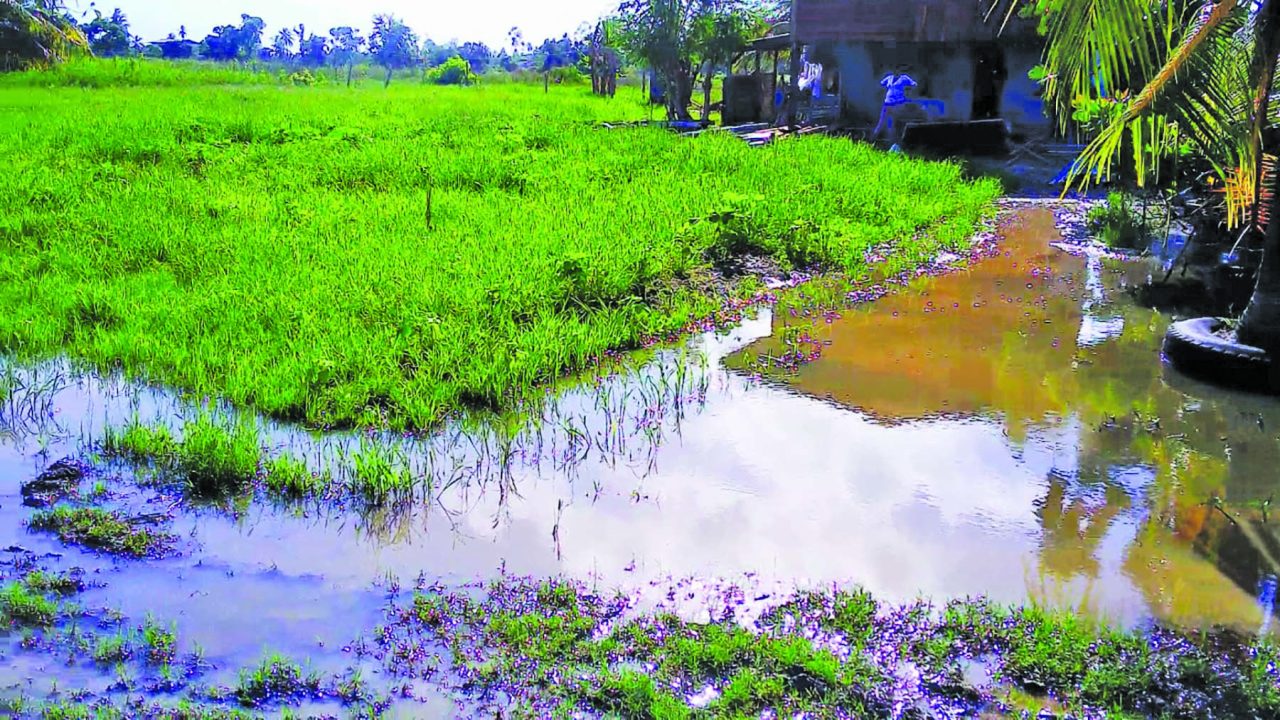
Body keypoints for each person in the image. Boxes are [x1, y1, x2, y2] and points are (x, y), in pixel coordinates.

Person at [872, 68, 918, 143]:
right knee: (881, 121)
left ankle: (894, 141)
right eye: (895, 71)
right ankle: (873, 139)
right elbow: (881, 83)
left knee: (893, 122)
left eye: (898, 71)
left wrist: (908, 90)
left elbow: (914, 84)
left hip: (897, 104)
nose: (896, 72)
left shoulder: (904, 78)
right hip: (887, 103)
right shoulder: (890, 78)